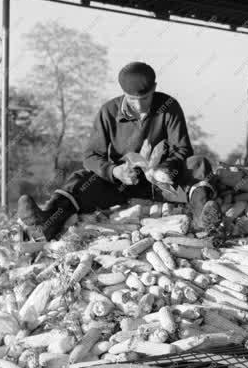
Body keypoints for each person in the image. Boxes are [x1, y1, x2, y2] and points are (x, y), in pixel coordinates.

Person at [17, 61, 222, 240]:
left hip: (163, 183)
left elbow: (182, 148)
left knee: (198, 165)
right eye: (133, 100)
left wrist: (165, 169)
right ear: (123, 94)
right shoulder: (108, 112)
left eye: (146, 98)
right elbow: (90, 156)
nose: (140, 105)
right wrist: (114, 172)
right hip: (120, 185)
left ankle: (202, 220)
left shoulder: (169, 106)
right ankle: (46, 224)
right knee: (79, 179)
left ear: (155, 88)